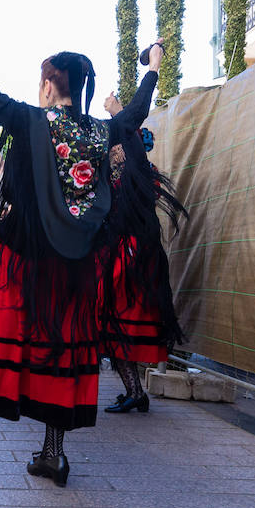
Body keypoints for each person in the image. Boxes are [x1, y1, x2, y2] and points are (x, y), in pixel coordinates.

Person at [0, 0, 183, 488]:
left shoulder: (31, 120)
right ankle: (53, 451)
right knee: (65, 353)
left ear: (49, 84)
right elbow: (135, 113)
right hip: (81, 268)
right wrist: (152, 67)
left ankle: (31, 419)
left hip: (34, 264)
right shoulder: (101, 129)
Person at [103, 92, 178, 413]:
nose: (114, 151)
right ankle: (135, 391)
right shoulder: (113, 177)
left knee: (118, 324)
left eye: (119, 146)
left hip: (129, 257)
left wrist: (120, 112)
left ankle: (136, 391)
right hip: (124, 254)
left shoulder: (139, 177)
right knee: (115, 326)